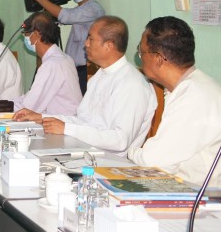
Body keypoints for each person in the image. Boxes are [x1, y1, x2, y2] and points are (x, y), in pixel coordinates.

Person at [14, 16, 156, 154]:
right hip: (85, 151)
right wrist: (43, 118)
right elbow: (82, 120)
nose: (85, 44)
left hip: (111, 161)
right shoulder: (99, 76)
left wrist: (66, 128)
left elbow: (120, 141)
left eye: (90, 39)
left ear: (109, 45)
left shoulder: (132, 83)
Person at [127, 17, 221, 188]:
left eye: (141, 52)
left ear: (158, 58)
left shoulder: (194, 97)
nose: (140, 58)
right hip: (194, 187)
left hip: (213, 196)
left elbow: (154, 161)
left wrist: (130, 152)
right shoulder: (194, 86)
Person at [0, 12, 81, 115]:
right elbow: (30, 98)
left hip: (61, 122)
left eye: (26, 35)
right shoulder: (64, 58)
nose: (25, 39)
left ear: (36, 34)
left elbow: (29, 108)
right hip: (63, 119)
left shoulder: (52, 65)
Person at [24, 0, 105, 93]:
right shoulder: (80, 10)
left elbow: (65, 16)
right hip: (76, 69)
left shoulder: (93, 9)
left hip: (86, 69)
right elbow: (63, 16)